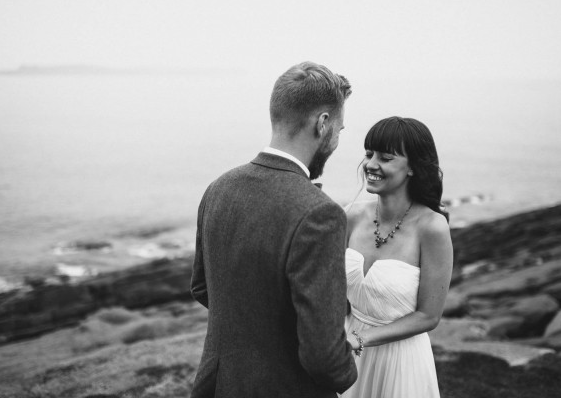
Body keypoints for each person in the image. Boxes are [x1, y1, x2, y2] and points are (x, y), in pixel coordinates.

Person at [190, 62, 358, 398]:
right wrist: (347, 364)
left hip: (219, 385)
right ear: (323, 124)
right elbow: (324, 357)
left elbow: (201, 287)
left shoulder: (218, 188)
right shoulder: (320, 213)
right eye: (340, 130)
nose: (337, 139)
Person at [341, 116, 453, 398]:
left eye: (386, 158)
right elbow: (334, 292)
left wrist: (360, 338)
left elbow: (428, 316)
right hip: (346, 354)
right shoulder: (351, 215)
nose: (370, 165)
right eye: (369, 154)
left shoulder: (432, 227)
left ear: (413, 167)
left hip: (401, 363)